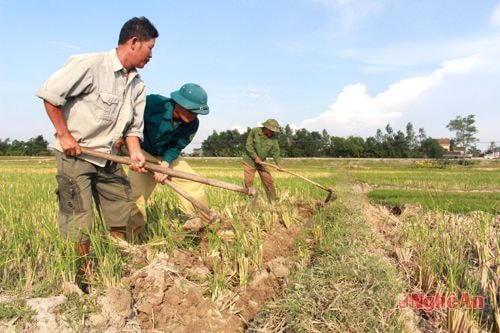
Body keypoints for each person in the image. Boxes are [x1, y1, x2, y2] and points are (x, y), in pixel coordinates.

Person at [36, 17, 159, 290]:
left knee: (121, 208)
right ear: (134, 42)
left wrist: (136, 153)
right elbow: (50, 95)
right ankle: (85, 275)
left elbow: (133, 129)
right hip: (75, 156)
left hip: (109, 157)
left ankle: (113, 261)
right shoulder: (90, 65)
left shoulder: (139, 86)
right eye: (150, 48)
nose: (152, 55)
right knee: (79, 218)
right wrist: (64, 135)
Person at [128, 83, 210, 236]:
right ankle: (132, 237)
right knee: (135, 196)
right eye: (191, 111)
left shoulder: (192, 124)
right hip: (142, 152)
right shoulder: (153, 104)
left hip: (166, 156)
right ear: (179, 103)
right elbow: (128, 118)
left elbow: (176, 145)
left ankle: (202, 224)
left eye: (197, 113)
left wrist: (165, 165)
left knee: (194, 182)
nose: (194, 116)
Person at [242, 119, 283, 201]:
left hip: (262, 161)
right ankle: (249, 200)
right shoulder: (255, 131)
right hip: (249, 160)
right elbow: (248, 145)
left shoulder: (273, 138)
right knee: (248, 181)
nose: (272, 133)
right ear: (266, 128)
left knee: (268, 180)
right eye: (271, 130)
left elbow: (276, 151)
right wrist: (255, 157)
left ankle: (273, 200)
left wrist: (278, 164)